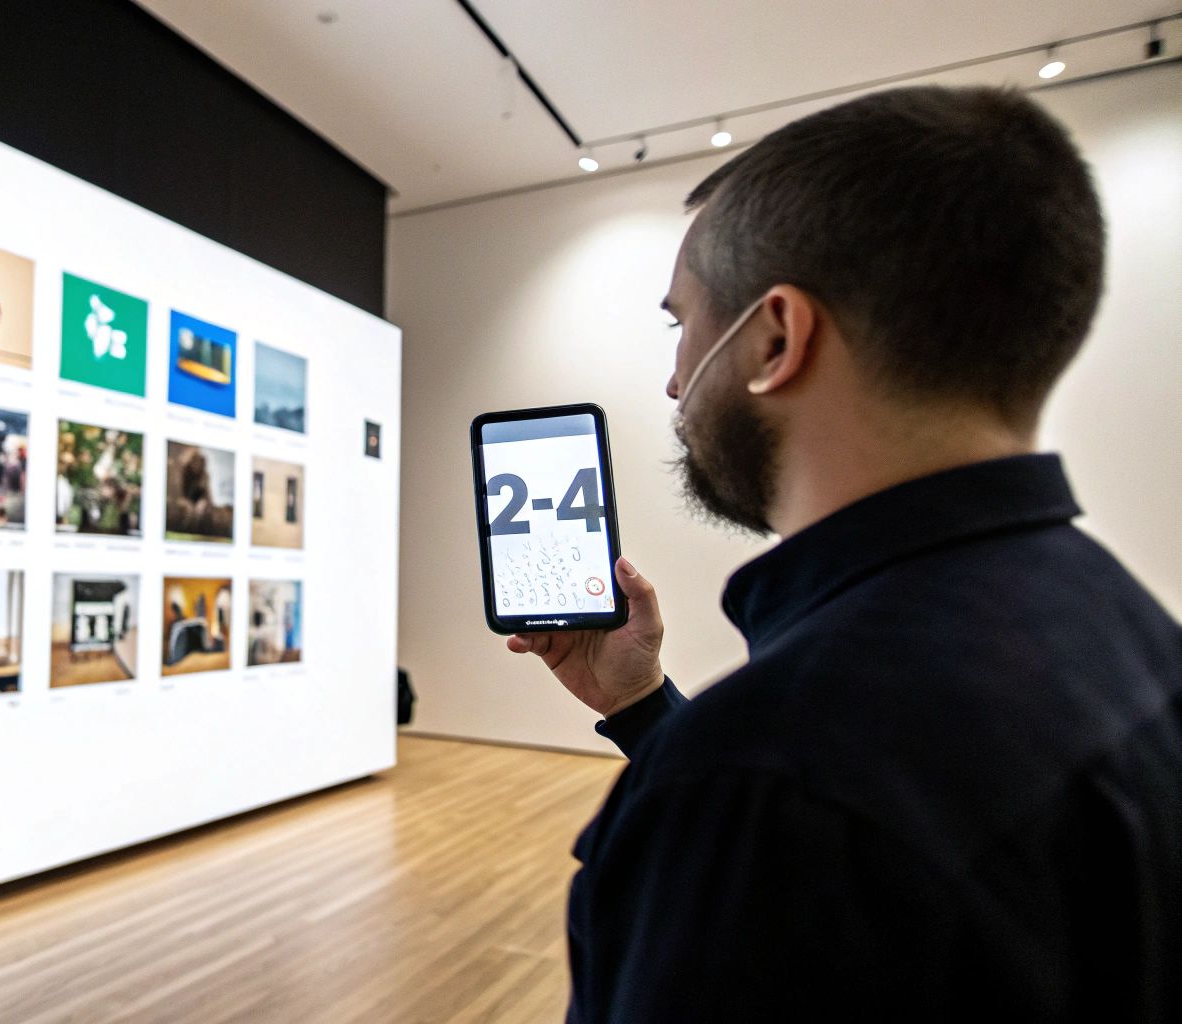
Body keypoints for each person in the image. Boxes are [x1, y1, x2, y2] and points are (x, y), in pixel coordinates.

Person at [504, 86, 1181, 1023]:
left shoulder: (767, 789)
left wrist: (705, 766)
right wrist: (644, 708)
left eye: (681, 324)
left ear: (777, 337)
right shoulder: (1130, 631)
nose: (672, 380)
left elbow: (806, 804)